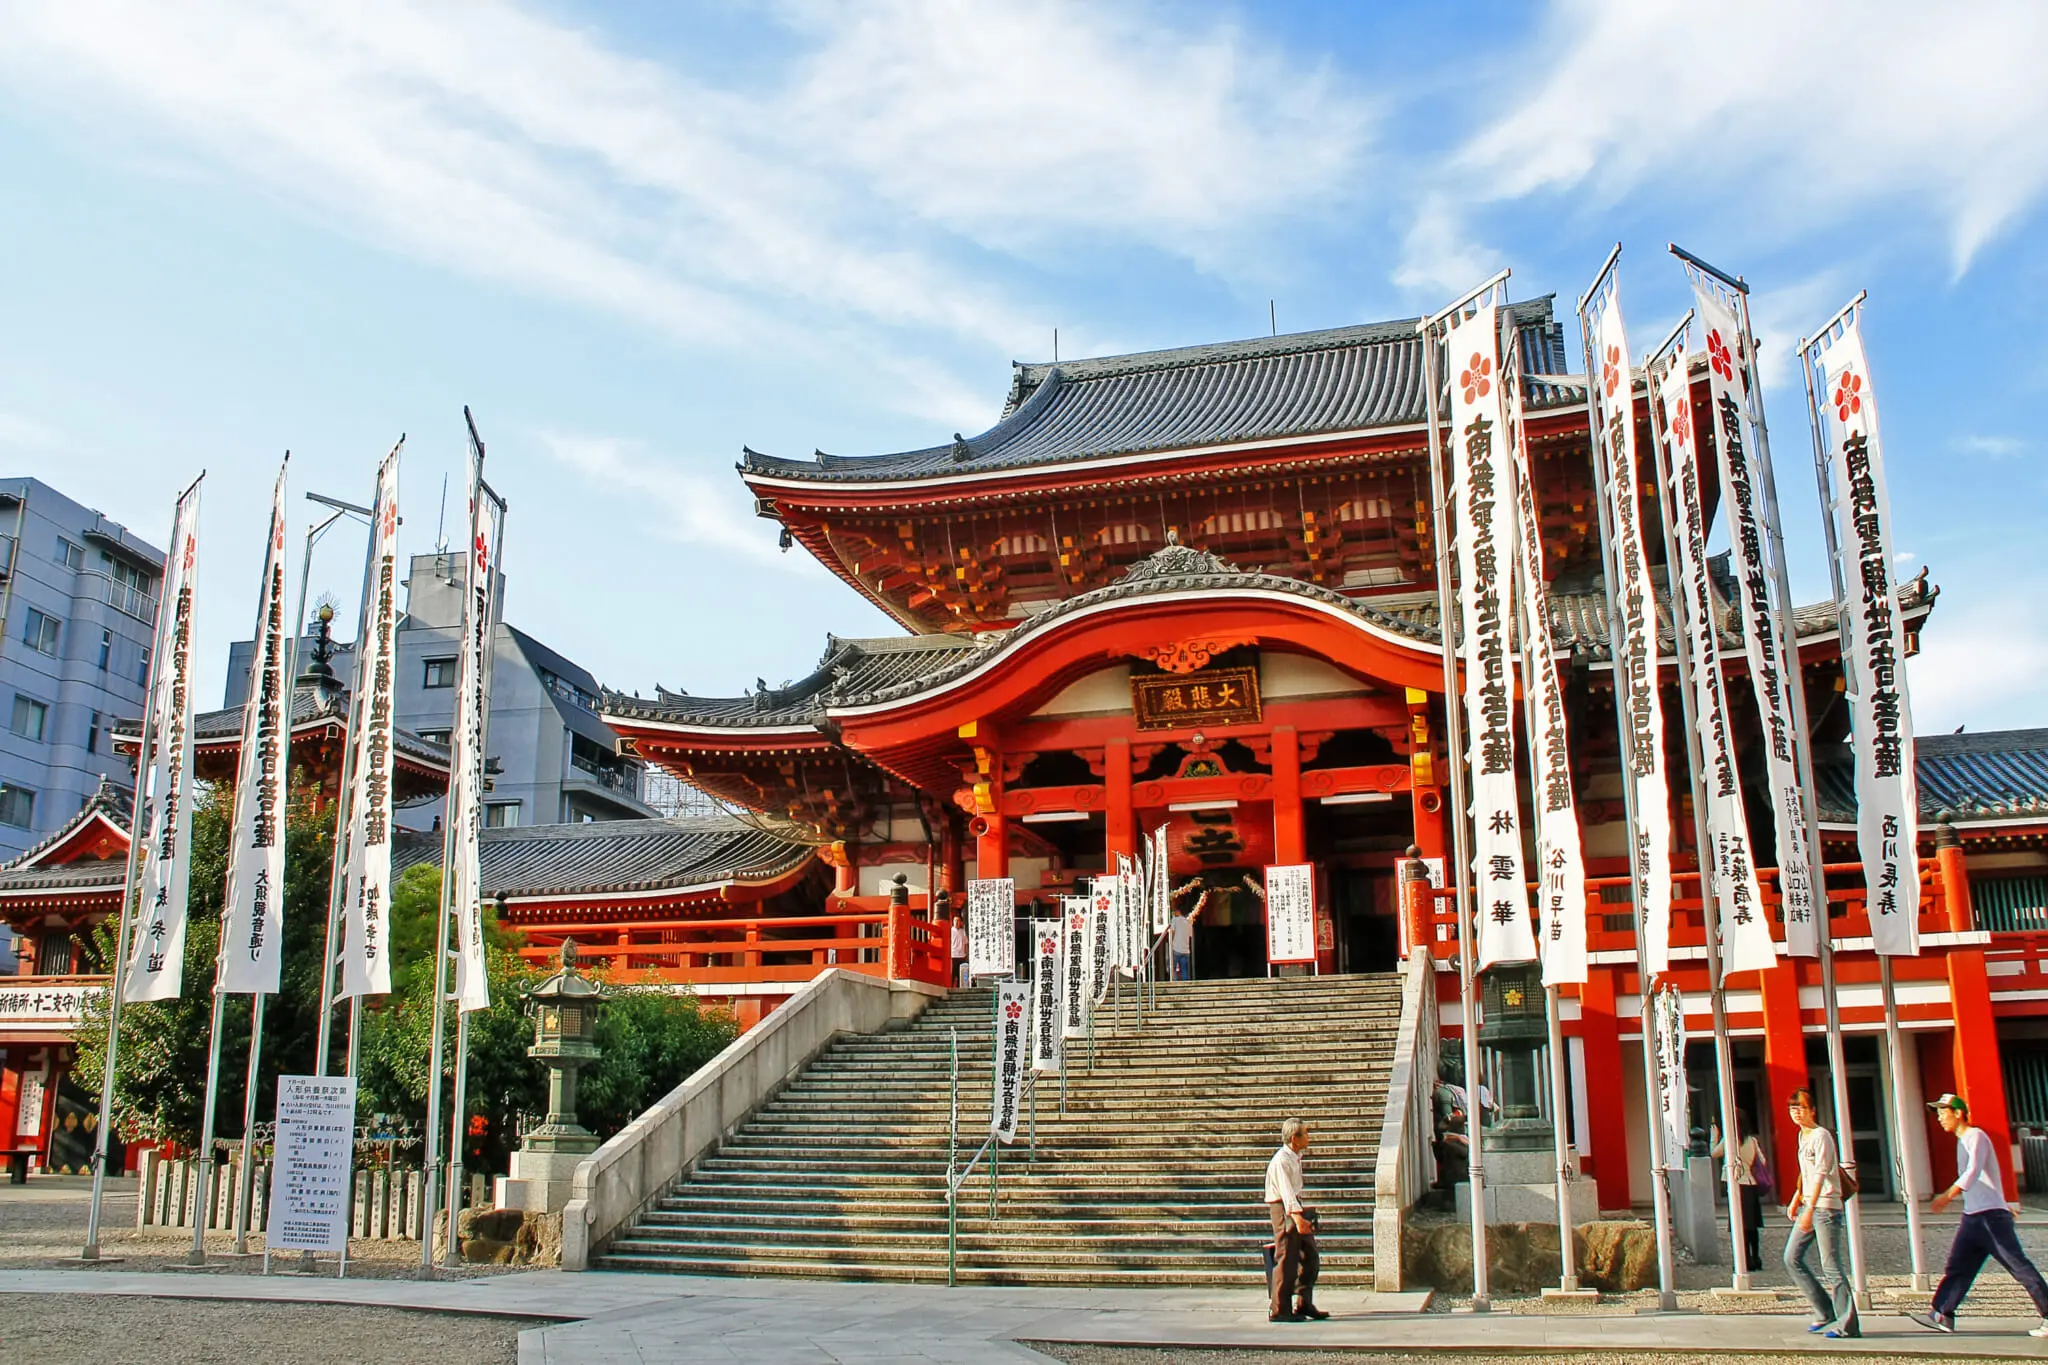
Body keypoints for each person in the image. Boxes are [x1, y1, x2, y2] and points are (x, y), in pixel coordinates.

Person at [1909, 1092, 2048, 1337]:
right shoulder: (1961, 1141)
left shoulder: (1976, 1136)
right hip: (1973, 1217)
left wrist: (1947, 1195)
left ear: (1958, 1113)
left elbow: (1972, 1171)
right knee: (1958, 1267)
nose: (1940, 1118)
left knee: (2018, 1266)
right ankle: (1941, 1314)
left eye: (1943, 1112)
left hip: (1991, 1218)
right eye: (1938, 1113)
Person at [1783, 1087, 1859, 1339]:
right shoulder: (1802, 1137)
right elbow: (1805, 1173)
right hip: (1810, 1204)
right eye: (1793, 1108)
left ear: (1812, 1110)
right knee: (1791, 1257)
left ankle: (1848, 1323)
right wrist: (1796, 1200)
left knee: (1831, 1265)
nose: (1797, 1112)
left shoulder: (1821, 1136)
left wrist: (1810, 1208)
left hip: (1826, 1207)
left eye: (1802, 1107)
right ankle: (1825, 1310)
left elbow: (1820, 1174)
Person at [1264, 1117, 1325, 1323]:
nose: (1308, 1137)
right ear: (1294, 1138)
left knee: (1310, 1256)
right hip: (1283, 1207)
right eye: (1305, 1133)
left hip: (1294, 1205)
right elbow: (1286, 1191)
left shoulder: (1295, 1157)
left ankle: (1304, 1302)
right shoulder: (1281, 1160)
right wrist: (1297, 1217)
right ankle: (1279, 1308)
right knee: (1287, 1257)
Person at [1711, 1110, 1767, 1272]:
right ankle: (1756, 1258)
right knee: (1752, 1225)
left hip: (1736, 1185)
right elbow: (1762, 1161)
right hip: (1751, 1183)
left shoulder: (1729, 1140)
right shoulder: (1752, 1140)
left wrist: (1714, 1136)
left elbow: (1713, 1153)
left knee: (1739, 1224)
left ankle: (1744, 1258)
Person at [1169, 898, 1202, 981]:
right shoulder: (1188, 922)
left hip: (1176, 948)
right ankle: (1185, 984)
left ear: (1178, 911)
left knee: (1173, 968)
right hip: (1186, 949)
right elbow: (1190, 935)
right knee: (1184, 969)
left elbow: (1172, 932)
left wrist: (1171, 943)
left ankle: (1175, 984)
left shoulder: (1175, 920)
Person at [949, 913, 969, 989]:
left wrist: (966, 953)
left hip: (962, 955)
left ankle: (960, 988)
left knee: (960, 973)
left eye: (958, 921)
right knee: (953, 973)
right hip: (953, 955)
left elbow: (965, 943)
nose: (957, 922)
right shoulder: (950, 931)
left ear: (961, 922)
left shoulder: (963, 931)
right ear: (953, 921)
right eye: (955, 921)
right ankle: (950, 987)